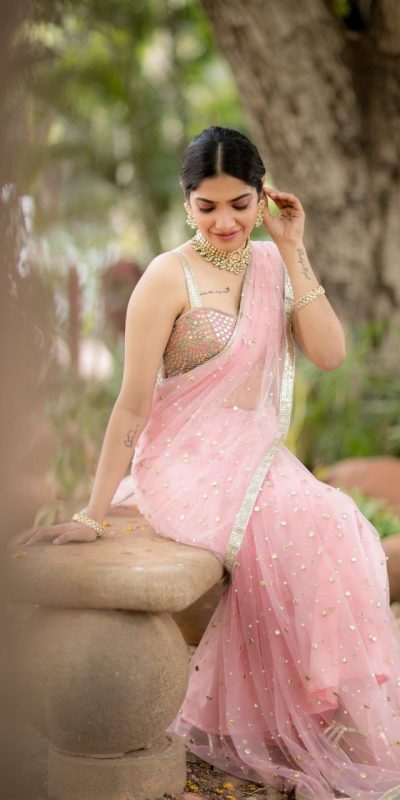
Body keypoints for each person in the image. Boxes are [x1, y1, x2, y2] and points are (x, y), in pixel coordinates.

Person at [18, 127, 400, 800]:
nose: (225, 221)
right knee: (307, 524)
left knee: (340, 524)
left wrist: (293, 248)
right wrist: (92, 512)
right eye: (208, 206)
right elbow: (132, 405)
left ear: (263, 197)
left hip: (253, 458)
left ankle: (318, 711)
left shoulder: (271, 265)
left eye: (240, 204)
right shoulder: (167, 277)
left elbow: (331, 353)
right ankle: (298, 715)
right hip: (183, 464)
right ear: (186, 201)